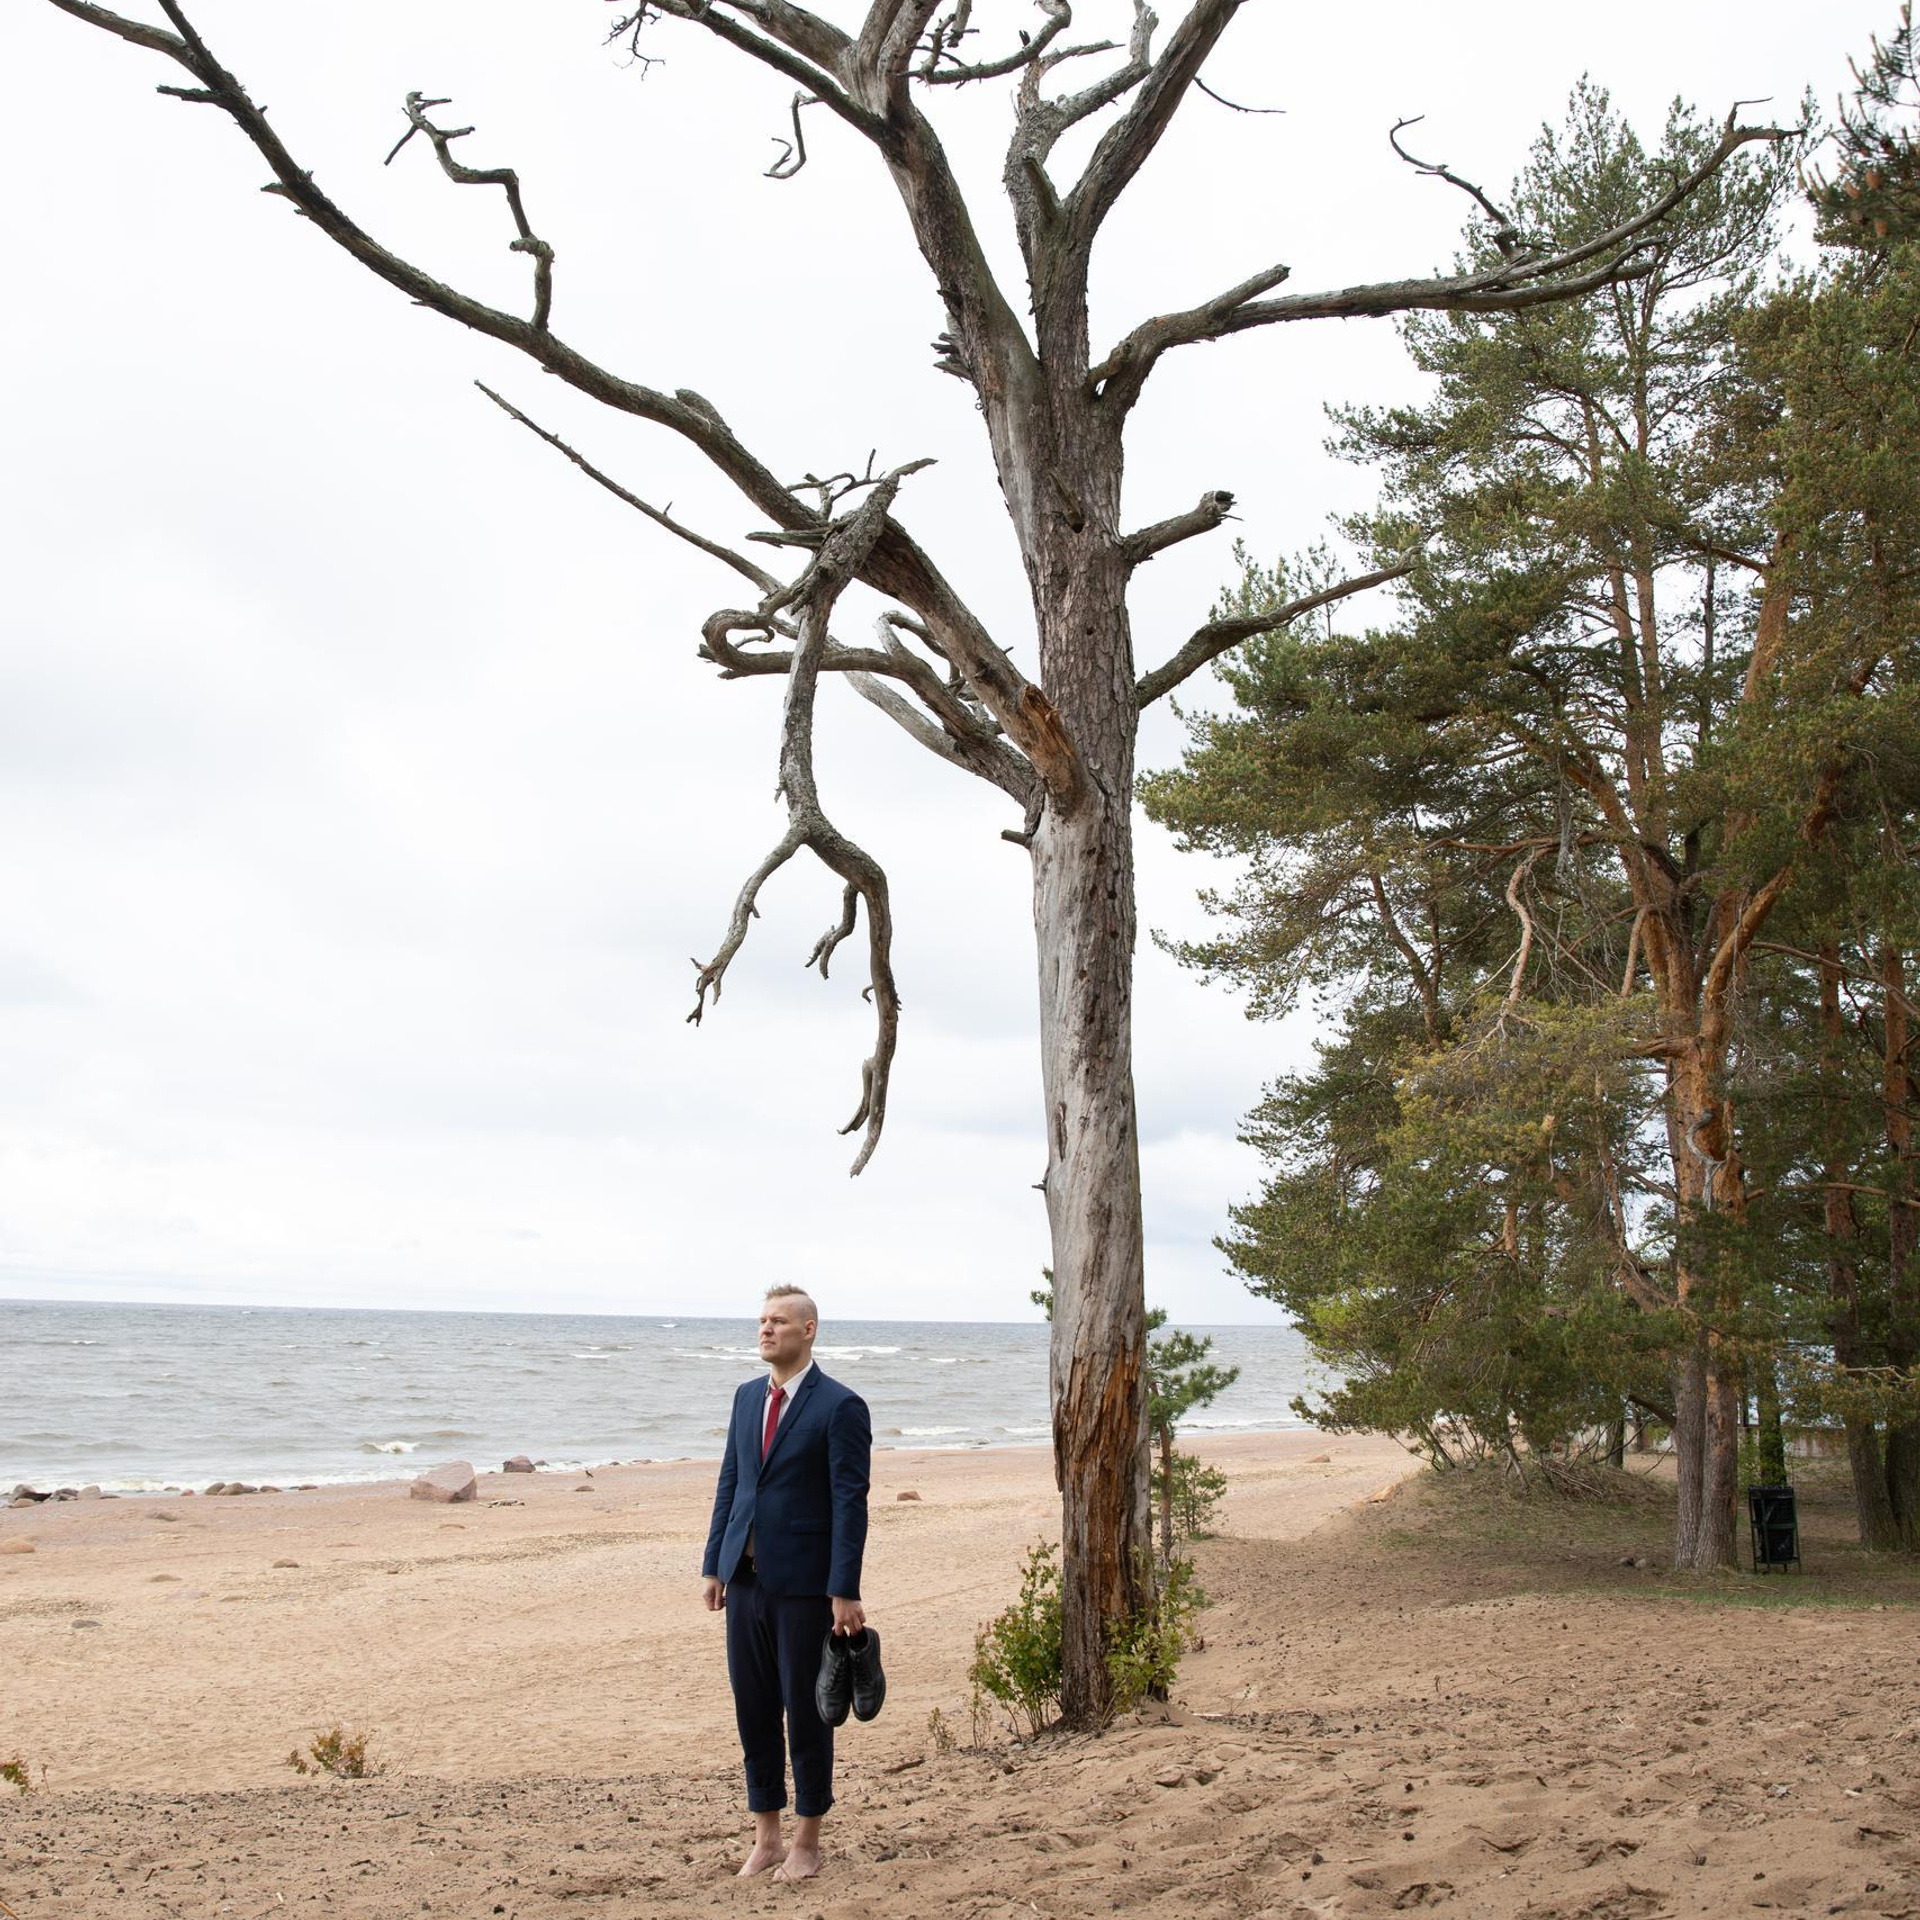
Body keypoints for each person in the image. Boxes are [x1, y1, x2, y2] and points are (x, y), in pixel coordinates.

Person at [700, 1285, 871, 1881]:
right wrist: (713, 1565)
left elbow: (850, 1503)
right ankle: (766, 1836)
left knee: (807, 1714)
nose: (766, 1329)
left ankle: (807, 1840)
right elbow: (731, 1483)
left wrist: (843, 1588)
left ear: (809, 1330)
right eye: (762, 1320)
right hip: (743, 1582)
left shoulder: (840, 1406)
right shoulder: (747, 1398)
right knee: (753, 1712)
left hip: (805, 1588)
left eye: (779, 1321)